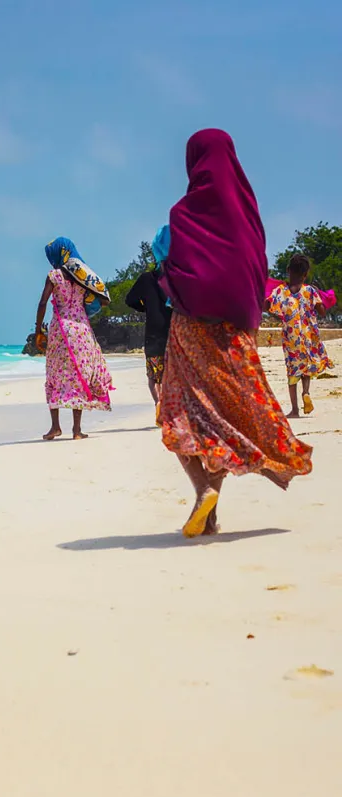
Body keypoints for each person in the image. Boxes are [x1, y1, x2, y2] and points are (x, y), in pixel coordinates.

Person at [158, 128, 313, 538]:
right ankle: (210, 512)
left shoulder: (181, 215)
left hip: (190, 329)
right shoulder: (249, 216)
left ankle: (203, 489)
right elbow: (256, 272)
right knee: (226, 415)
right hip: (235, 336)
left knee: (181, 415)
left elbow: (171, 270)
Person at [35, 237, 113, 440]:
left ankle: (55, 427)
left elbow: (43, 303)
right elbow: (99, 298)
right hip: (82, 330)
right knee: (78, 376)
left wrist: (38, 330)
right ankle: (77, 431)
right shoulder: (82, 276)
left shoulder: (54, 275)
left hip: (61, 330)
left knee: (55, 374)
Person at [264, 254, 334, 418]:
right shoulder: (309, 291)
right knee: (306, 368)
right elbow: (322, 312)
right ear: (306, 274)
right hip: (308, 335)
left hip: (291, 337)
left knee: (292, 371)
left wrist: (279, 315)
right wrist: (320, 296)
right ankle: (306, 392)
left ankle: (295, 410)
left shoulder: (280, 291)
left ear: (288, 270)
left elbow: (267, 305)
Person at [125, 225, 172, 420]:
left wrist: (146, 308)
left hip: (153, 333)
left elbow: (130, 300)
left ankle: (158, 403)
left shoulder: (146, 279)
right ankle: (172, 408)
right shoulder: (180, 279)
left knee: (154, 376)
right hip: (174, 334)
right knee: (172, 374)